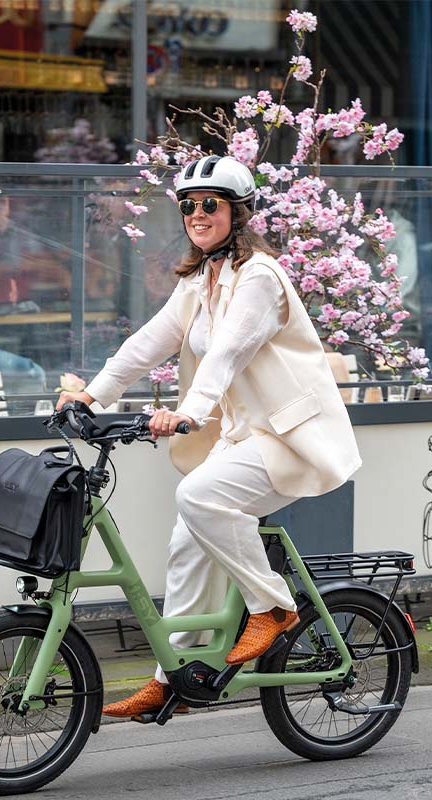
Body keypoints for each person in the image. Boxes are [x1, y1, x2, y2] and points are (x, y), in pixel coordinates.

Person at [57, 155, 361, 717]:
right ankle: (177, 673)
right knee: (186, 543)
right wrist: (91, 395)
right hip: (243, 435)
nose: (197, 213)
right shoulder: (201, 278)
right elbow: (149, 342)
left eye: (210, 204)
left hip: (288, 437)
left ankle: (272, 607)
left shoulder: (261, 278)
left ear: (238, 212)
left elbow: (228, 354)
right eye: (188, 205)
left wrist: (188, 412)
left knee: (198, 496)